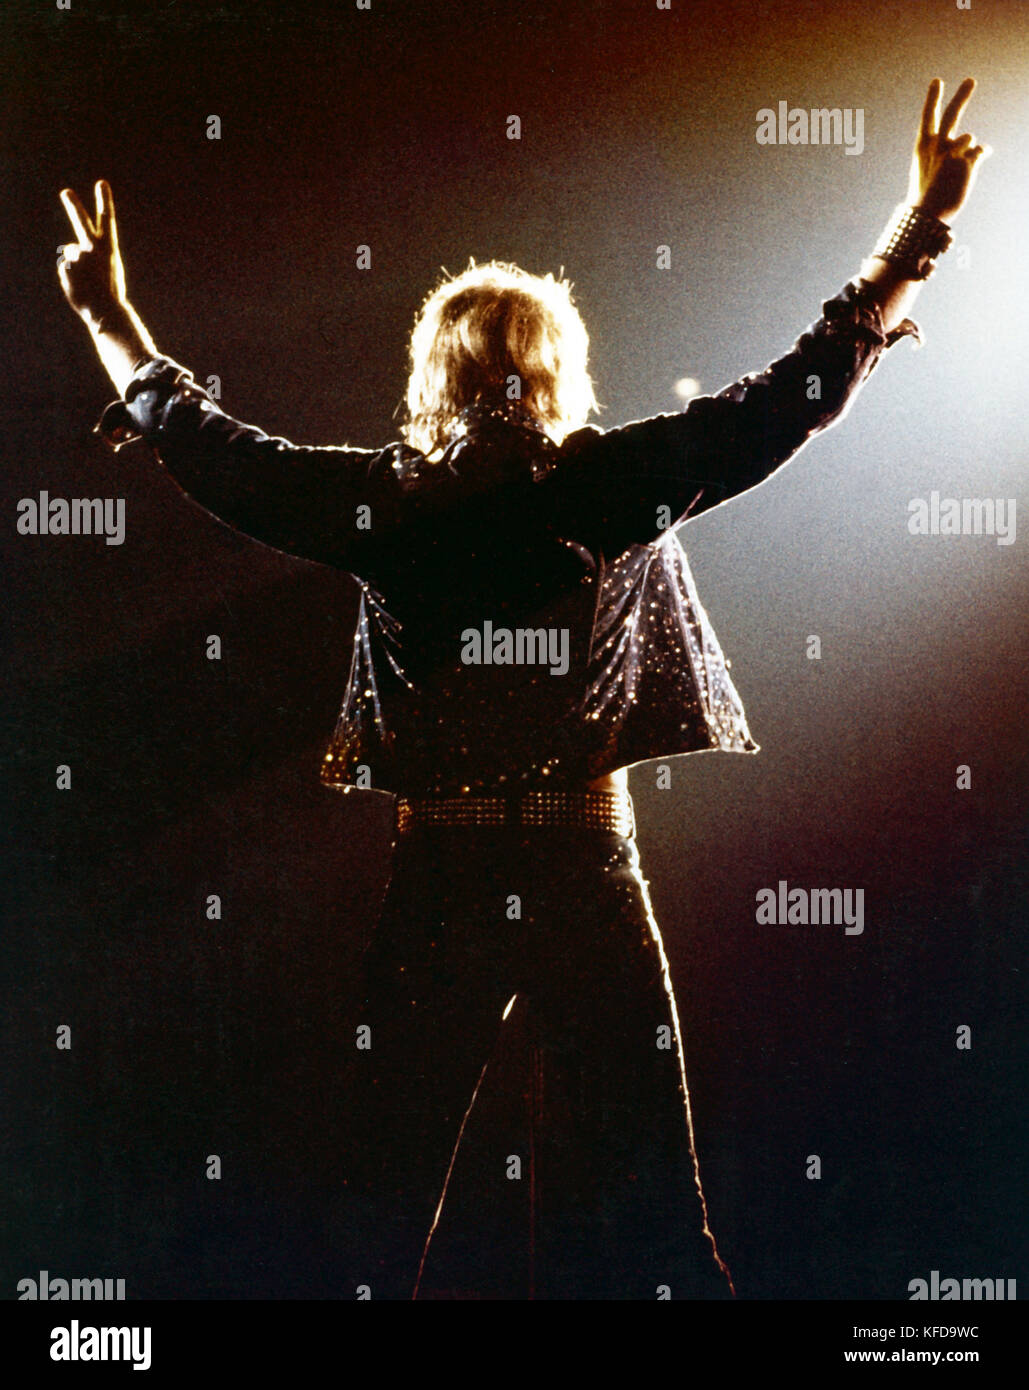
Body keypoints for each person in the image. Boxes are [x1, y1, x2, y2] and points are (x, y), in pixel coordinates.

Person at [57, 79, 987, 1299]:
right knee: (651, 1213)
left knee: (374, 1212)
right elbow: (794, 396)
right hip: (582, 868)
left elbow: (211, 449)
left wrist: (111, 319)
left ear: (432, 378)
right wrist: (917, 229)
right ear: (557, 374)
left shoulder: (386, 505)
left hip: (443, 871)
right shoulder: (607, 485)